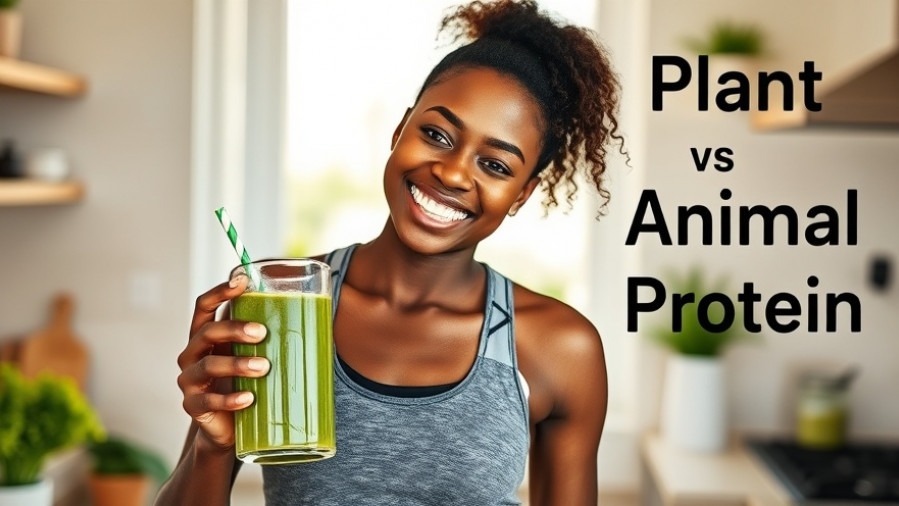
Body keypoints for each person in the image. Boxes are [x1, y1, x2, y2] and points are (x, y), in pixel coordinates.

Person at [157, 0, 625, 504]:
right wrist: (211, 444)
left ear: (523, 194)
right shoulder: (281, 309)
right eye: (436, 134)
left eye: (494, 164)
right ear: (400, 130)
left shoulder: (560, 348)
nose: (451, 172)